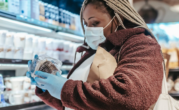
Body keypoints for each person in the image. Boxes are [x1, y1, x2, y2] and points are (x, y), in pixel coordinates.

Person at [26, 0, 164, 110]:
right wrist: (48, 87)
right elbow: (80, 102)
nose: (89, 29)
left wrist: (64, 88)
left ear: (118, 16)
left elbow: (131, 96)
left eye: (95, 22)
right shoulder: (91, 53)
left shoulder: (142, 45)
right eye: (86, 24)